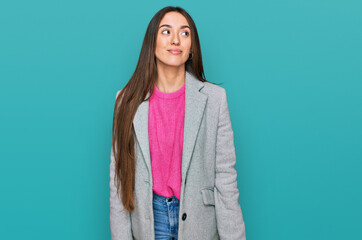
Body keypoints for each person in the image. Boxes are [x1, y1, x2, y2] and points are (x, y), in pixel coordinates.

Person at [110, 6, 246, 240]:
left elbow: (225, 177)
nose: (175, 40)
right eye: (166, 32)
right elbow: (119, 181)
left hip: (200, 223)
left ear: (192, 47)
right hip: (150, 222)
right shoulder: (126, 100)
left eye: (185, 33)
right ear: (151, 43)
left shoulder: (214, 99)